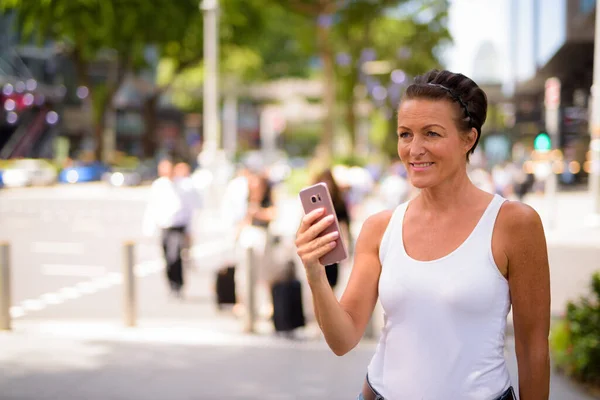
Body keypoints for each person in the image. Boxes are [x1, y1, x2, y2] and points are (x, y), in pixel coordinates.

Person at [295, 69, 550, 399]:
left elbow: (533, 350)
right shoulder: (380, 228)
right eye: (405, 134)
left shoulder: (514, 224)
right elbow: (343, 340)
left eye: (431, 134)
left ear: (468, 139)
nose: (414, 149)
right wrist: (314, 272)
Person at [143, 158, 195, 299]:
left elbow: (190, 209)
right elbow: (152, 207)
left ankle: (178, 284)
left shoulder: (184, 186)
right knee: (166, 256)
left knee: (175, 255)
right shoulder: (159, 185)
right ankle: (171, 284)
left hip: (179, 227)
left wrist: (190, 230)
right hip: (165, 227)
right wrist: (149, 228)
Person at [313, 168, 351, 289]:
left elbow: (345, 225)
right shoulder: (314, 203)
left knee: (332, 282)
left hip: (334, 245)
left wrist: (346, 246)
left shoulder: (339, 202)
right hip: (318, 245)